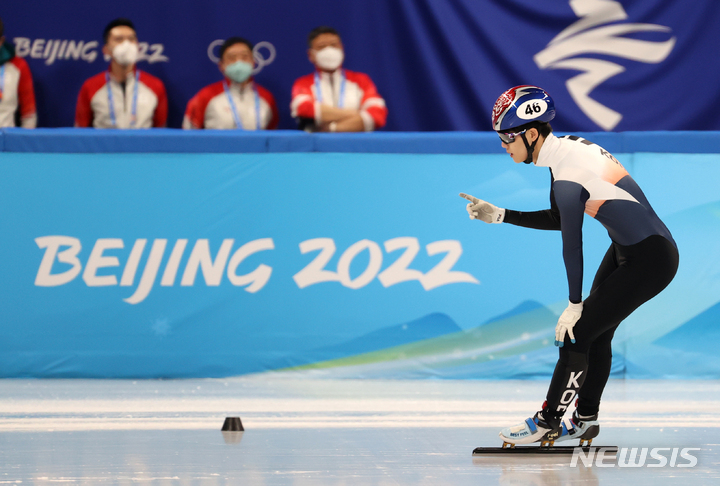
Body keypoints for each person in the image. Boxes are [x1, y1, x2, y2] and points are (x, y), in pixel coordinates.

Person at [460, 85, 678, 446]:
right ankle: (585, 421)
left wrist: (574, 304)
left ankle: (547, 421)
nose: (502, 146)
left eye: (506, 138)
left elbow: (571, 242)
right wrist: (500, 215)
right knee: (596, 333)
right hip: (635, 249)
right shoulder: (563, 150)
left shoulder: (566, 173)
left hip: (650, 260)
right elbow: (561, 218)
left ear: (531, 133)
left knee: (576, 334)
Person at [290, 26, 387, 132]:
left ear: (342, 48)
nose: (329, 50)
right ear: (311, 55)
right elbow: (304, 109)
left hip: (355, 146)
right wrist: (356, 114)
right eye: (321, 47)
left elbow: (377, 115)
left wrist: (332, 128)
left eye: (333, 45)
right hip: (318, 147)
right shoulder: (303, 83)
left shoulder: (361, 80)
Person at [75, 18, 167, 128]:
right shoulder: (90, 87)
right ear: (106, 50)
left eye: (131, 39)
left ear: (138, 47)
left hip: (142, 145)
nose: (126, 44)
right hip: (103, 145)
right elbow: (80, 133)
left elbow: (161, 132)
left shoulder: (155, 86)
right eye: (119, 39)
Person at [182, 37, 278, 130]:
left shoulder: (267, 98)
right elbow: (189, 136)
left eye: (245, 57)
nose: (239, 62)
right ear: (221, 65)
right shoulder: (205, 96)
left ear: (253, 62)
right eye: (232, 58)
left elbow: (271, 136)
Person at [0, 17, 37, 128]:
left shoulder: (18, 66)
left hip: (4, 141)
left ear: (1, 41)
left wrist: (24, 142)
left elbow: (29, 114)